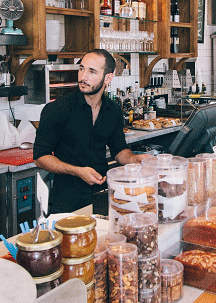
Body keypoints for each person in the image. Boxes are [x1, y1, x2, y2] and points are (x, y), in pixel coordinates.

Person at [34, 49, 149, 213]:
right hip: (66, 202)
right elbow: (40, 157)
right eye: (81, 69)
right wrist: (77, 171)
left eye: (92, 71)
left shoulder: (113, 110)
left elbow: (119, 150)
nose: (83, 77)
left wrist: (134, 159)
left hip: (102, 197)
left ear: (108, 78)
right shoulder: (57, 109)